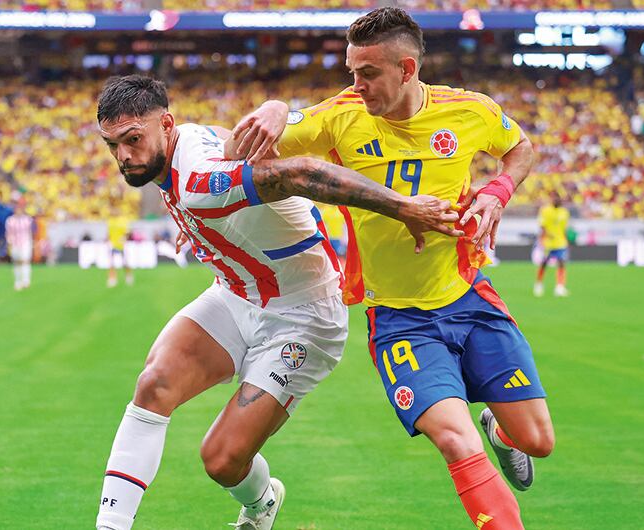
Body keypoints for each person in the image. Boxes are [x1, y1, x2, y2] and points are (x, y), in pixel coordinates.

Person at [226, 8, 552, 529]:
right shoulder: (340, 114)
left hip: (469, 296)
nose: (356, 84)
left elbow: (520, 149)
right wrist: (274, 106)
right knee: (453, 437)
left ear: (407, 69)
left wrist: (498, 190)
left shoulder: (470, 111)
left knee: (538, 440)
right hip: (400, 318)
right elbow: (234, 153)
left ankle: (504, 430)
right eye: (352, 71)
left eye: (368, 73)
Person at [93, 74, 457, 530]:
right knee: (153, 384)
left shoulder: (199, 180)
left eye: (132, 140)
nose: (124, 156)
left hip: (303, 316)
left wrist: (402, 207)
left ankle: (263, 500)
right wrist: (276, 107)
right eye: (113, 145)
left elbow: (299, 173)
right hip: (236, 294)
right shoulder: (185, 141)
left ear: (165, 124)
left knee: (222, 460)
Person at [535, 193, 570, 297]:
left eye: (558, 198)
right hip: (548, 243)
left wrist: (566, 239)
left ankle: (560, 287)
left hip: (560, 242)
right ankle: (539, 284)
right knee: (544, 264)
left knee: (561, 263)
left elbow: (565, 228)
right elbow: (542, 226)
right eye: (554, 198)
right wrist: (544, 238)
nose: (556, 200)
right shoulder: (546, 211)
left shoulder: (564, 212)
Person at [5, 201, 34, 291]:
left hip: (25, 242)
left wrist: (32, 243)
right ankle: (18, 281)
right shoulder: (10, 220)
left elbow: (30, 232)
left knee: (25, 261)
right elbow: (8, 233)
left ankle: (26, 280)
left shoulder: (27, 220)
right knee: (17, 262)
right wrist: (9, 243)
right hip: (15, 243)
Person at [106, 213, 134, 288]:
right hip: (112, 244)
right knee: (111, 262)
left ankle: (128, 276)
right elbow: (109, 233)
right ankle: (112, 279)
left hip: (122, 245)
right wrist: (108, 240)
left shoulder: (123, 221)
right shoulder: (110, 221)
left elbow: (128, 232)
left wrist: (124, 238)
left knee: (125, 262)